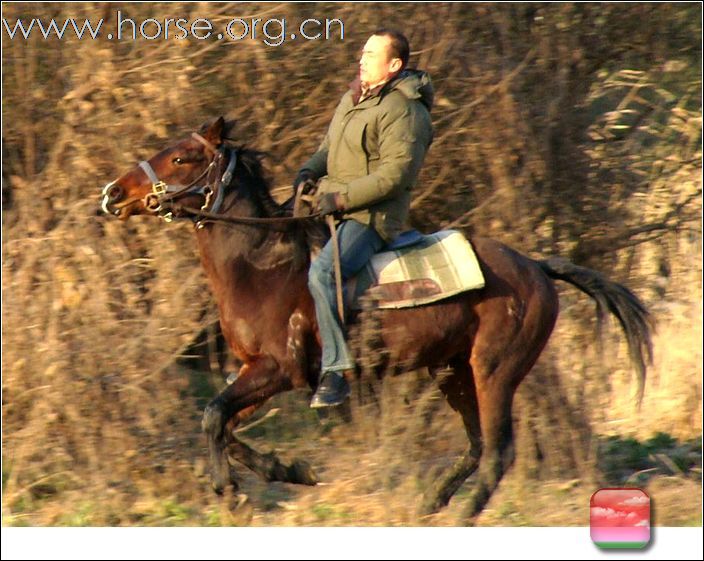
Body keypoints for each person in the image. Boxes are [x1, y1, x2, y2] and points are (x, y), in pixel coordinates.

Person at [294, 29, 434, 408]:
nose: (362, 58)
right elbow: (328, 149)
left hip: (370, 218)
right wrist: (308, 170)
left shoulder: (406, 111)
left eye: (371, 54)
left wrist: (340, 198)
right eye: (363, 51)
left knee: (324, 274)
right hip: (333, 207)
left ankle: (337, 371)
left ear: (394, 65)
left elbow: (395, 176)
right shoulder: (353, 98)